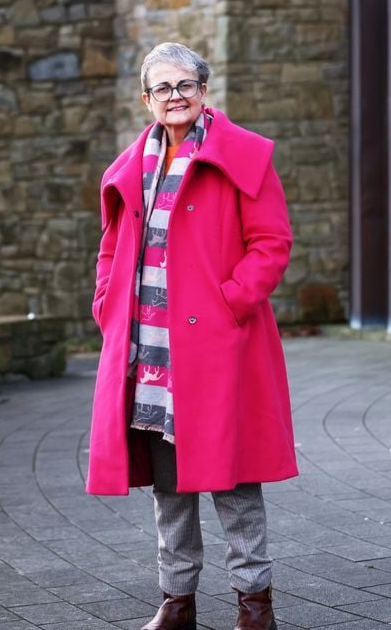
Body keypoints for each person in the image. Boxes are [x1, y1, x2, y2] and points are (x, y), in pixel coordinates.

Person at [87, 42, 297, 630]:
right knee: (169, 487)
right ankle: (177, 604)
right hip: (147, 351)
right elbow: (110, 248)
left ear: (204, 91)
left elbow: (272, 244)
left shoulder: (245, 157)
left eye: (186, 86)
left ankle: (255, 607)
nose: (174, 97)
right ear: (146, 99)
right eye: (163, 89)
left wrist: (229, 302)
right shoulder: (131, 166)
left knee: (233, 485)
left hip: (218, 349)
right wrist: (107, 303)